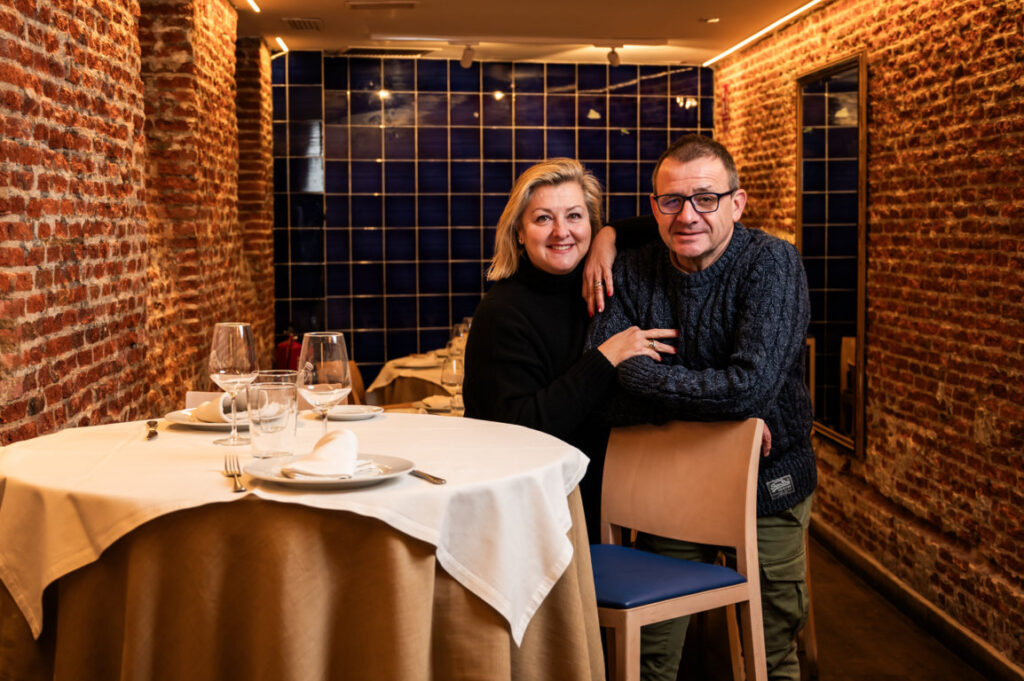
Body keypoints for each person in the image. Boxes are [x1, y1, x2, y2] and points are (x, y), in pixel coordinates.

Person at [585, 135, 815, 681]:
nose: (688, 215)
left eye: (706, 199)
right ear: (655, 206)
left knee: (771, 648)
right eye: (672, 201)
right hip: (671, 486)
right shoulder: (634, 272)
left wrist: (648, 381)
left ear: (737, 203)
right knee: (649, 659)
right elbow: (604, 381)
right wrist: (725, 422)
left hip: (768, 481)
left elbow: (749, 390)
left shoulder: (772, 263)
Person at [462, 158, 677, 541]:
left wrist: (611, 235)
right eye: (543, 218)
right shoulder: (503, 312)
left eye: (575, 216)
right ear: (519, 233)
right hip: (531, 513)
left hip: (613, 498)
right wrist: (605, 358)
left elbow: (680, 228)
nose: (562, 232)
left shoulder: (604, 282)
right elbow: (520, 428)